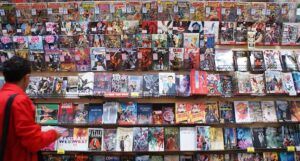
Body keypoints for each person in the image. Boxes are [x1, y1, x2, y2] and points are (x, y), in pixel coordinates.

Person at [0, 56, 61, 161]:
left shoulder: (3, 96)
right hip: (18, 156)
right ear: (26, 78)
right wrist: (54, 133)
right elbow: (33, 142)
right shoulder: (20, 101)